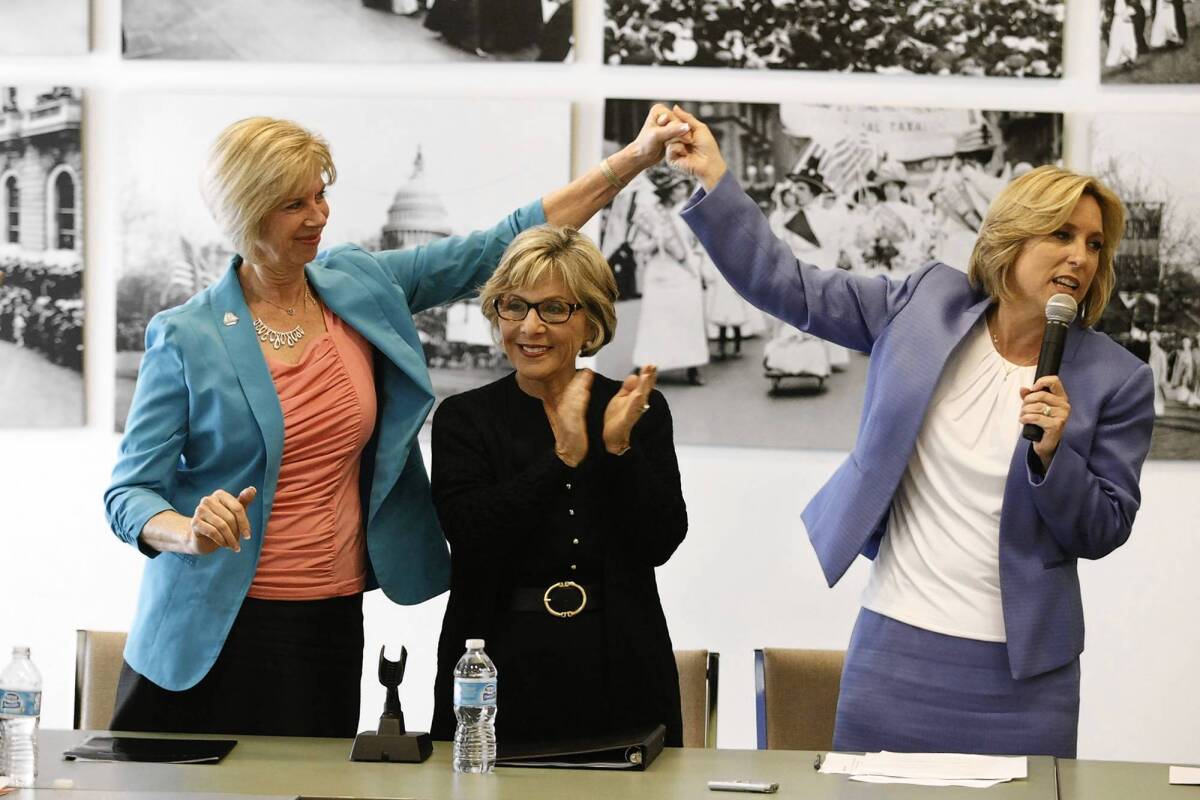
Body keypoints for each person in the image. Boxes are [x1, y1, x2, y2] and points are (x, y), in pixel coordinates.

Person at [102, 107, 690, 737]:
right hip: (205, 626)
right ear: (248, 211)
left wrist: (634, 158)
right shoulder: (185, 335)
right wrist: (186, 531)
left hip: (327, 617)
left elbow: (499, 243)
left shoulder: (359, 284)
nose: (319, 215)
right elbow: (128, 493)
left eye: (321, 194)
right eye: (295, 203)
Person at [667, 106, 1155, 758]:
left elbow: (1103, 529)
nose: (1080, 257)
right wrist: (715, 181)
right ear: (1013, 239)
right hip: (896, 651)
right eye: (1062, 235)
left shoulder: (1117, 379)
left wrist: (1053, 451)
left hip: (1027, 679)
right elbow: (788, 286)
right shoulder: (924, 304)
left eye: (1095, 245)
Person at [428, 225, 686, 746]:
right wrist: (562, 458)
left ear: (590, 320)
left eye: (553, 309)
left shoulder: (636, 410)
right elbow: (472, 535)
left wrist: (617, 449)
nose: (530, 327)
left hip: (622, 661)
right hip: (496, 666)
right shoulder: (465, 418)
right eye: (513, 306)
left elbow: (660, 541)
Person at [629, 176, 709, 385]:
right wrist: (655, 241)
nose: (682, 190)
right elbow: (635, 244)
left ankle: (693, 366)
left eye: (684, 186)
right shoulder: (650, 214)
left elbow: (701, 241)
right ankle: (646, 363)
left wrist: (698, 261)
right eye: (677, 186)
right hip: (659, 271)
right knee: (655, 319)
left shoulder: (691, 211)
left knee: (688, 318)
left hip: (685, 271)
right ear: (667, 191)